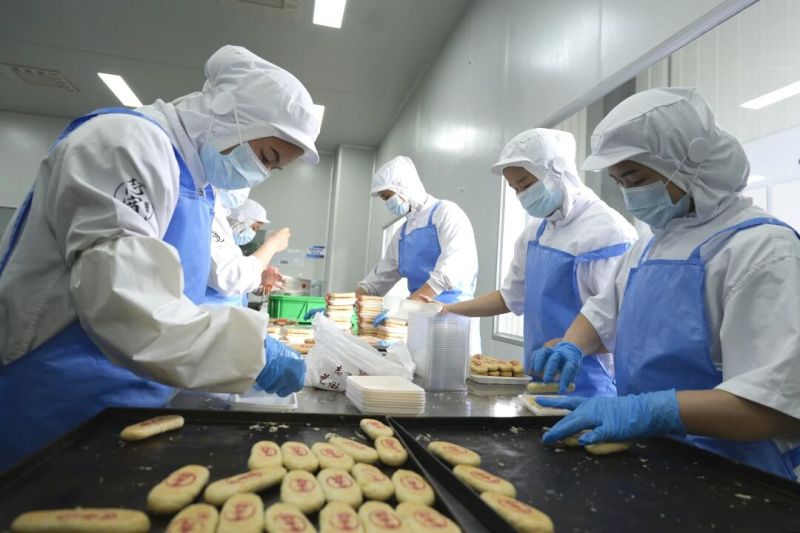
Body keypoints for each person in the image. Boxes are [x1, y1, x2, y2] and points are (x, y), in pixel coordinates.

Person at [0, 45, 318, 469]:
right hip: (60, 394)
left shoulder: (199, 185)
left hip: (131, 391)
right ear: (228, 112)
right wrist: (252, 351)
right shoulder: (125, 144)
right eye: (265, 157)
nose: (259, 174)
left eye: (271, 169)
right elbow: (125, 303)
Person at [535, 88, 800, 479]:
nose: (629, 194)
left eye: (636, 179)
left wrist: (647, 410)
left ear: (690, 163)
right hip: (653, 458)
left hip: (737, 472)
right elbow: (604, 312)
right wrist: (573, 344)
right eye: (619, 182)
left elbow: (774, 405)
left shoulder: (761, 250)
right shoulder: (650, 245)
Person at [443, 129, 637, 396]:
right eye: (515, 189)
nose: (521, 196)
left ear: (556, 172)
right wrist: (448, 310)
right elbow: (510, 297)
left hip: (590, 382)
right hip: (540, 376)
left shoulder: (607, 233)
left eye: (525, 185)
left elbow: (624, 324)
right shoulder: (535, 234)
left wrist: (570, 345)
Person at [356, 156, 481, 354]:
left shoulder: (447, 213)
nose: (388, 203)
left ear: (404, 187)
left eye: (388, 196)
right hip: (419, 323)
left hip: (453, 319)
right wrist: (348, 305)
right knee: (419, 369)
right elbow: (377, 281)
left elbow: (449, 272)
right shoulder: (402, 233)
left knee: (453, 371)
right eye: (384, 199)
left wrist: (406, 307)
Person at [205, 194, 287, 307]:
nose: (253, 234)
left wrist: (261, 277)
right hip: (209, 312)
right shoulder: (210, 233)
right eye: (254, 228)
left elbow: (236, 284)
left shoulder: (232, 248)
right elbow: (230, 279)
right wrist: (273, 244)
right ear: (240, 219)